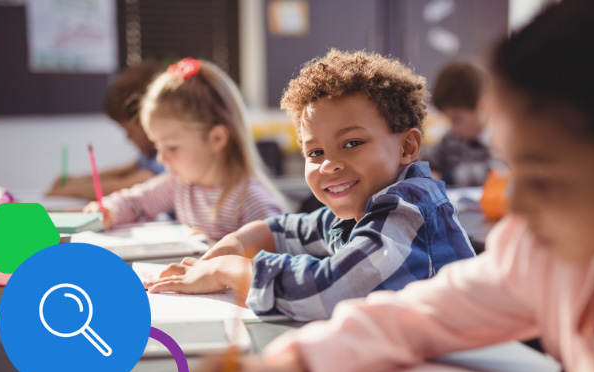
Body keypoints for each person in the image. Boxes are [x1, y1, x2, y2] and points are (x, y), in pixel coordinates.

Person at [185, 0, 594, 372]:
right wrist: (295, 365)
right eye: (512, 166)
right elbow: (416, 317)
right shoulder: (542, 254)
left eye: (544, 176)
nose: (515, 205)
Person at [143, 50, 476, 320]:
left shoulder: (408, 210)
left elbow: (329, 292)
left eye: (352, 143)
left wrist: (228, 269)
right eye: (315, 152)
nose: (328, 164)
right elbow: (284, 230)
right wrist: (229, 247)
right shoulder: (356, 209)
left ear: (407, 147)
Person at [84, 58, 284, 241]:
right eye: (157, 146)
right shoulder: (180, 186)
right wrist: (108, 210)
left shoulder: (253, 204)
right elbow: (134, 202)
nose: (161, 159)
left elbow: (274, 266)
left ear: (216, 138)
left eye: (171, 147)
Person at [46, 61, 164, 199]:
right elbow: (127, 170)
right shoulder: (150, 154)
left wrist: (74, 189)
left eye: (130, 131)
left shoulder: (166, 152)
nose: (128, 138)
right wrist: (80, 180)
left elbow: (136, 182)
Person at [424, 61, 495, 186]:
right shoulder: (452, 138)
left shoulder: (498, 140)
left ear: (481, 106)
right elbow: (429, 159)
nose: (452, 127)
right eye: (448, 119)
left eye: (456, 119)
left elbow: (493, 173)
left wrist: (444, 177)